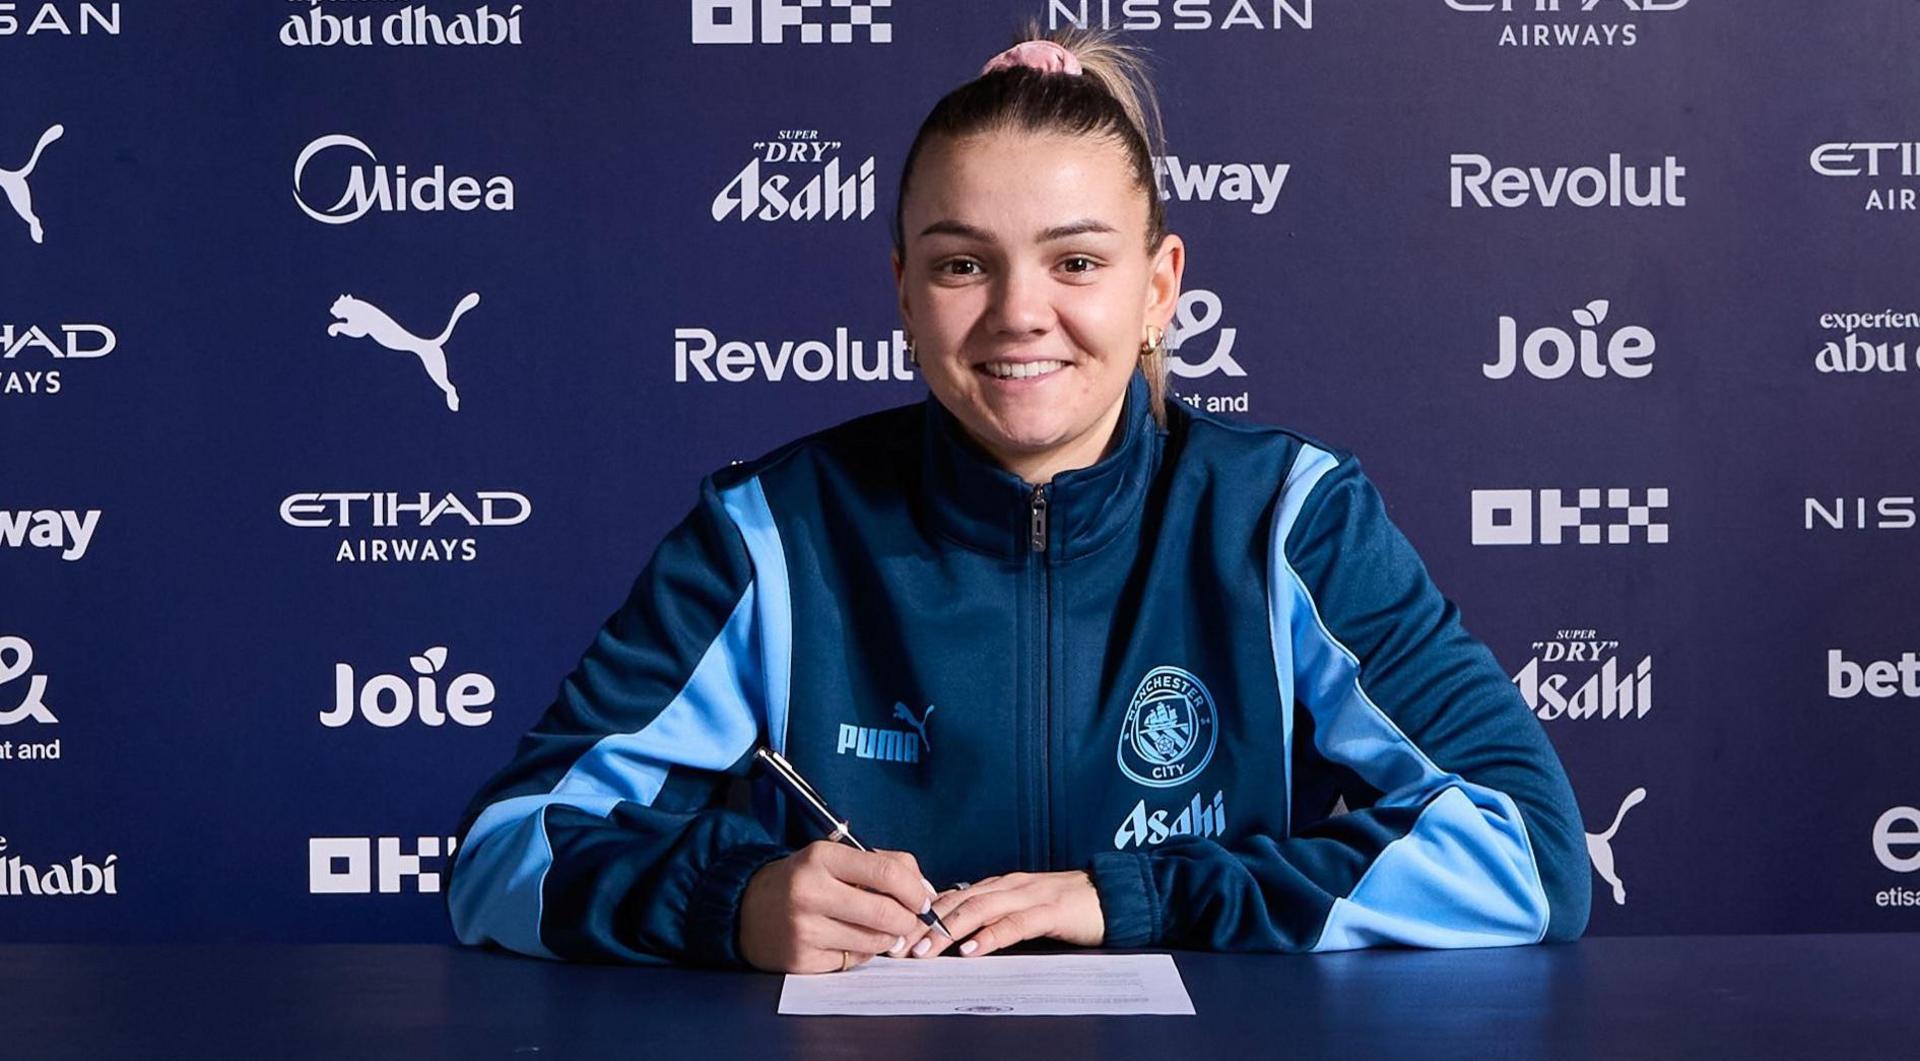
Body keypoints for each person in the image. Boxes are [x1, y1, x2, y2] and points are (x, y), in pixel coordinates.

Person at [444, 26, 1590, 974]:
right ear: (902, 289)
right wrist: (730, 902)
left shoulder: (1288, 516)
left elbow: (1529, 854)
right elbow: (501, 853)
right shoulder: (773, 534)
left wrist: (1133, 900)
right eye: (961, 263)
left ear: (1159, 288)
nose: (1017, 313)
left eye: (1076, 262)